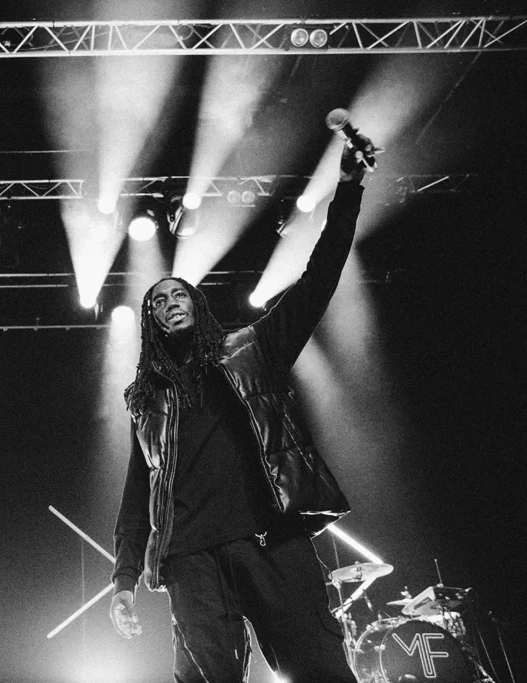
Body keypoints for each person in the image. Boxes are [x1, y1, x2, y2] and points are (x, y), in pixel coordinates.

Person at [109, 138, 375, 682]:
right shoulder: (146, 399)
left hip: (269, 538)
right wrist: (124, 578)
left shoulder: (252, 350)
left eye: (177, 293)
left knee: (322, 668)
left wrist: (347, 191)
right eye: (156, 300)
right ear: (151, 322)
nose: (168, 302)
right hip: (189, 560)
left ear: (195, 303)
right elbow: (139, 491)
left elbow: (317, 282)